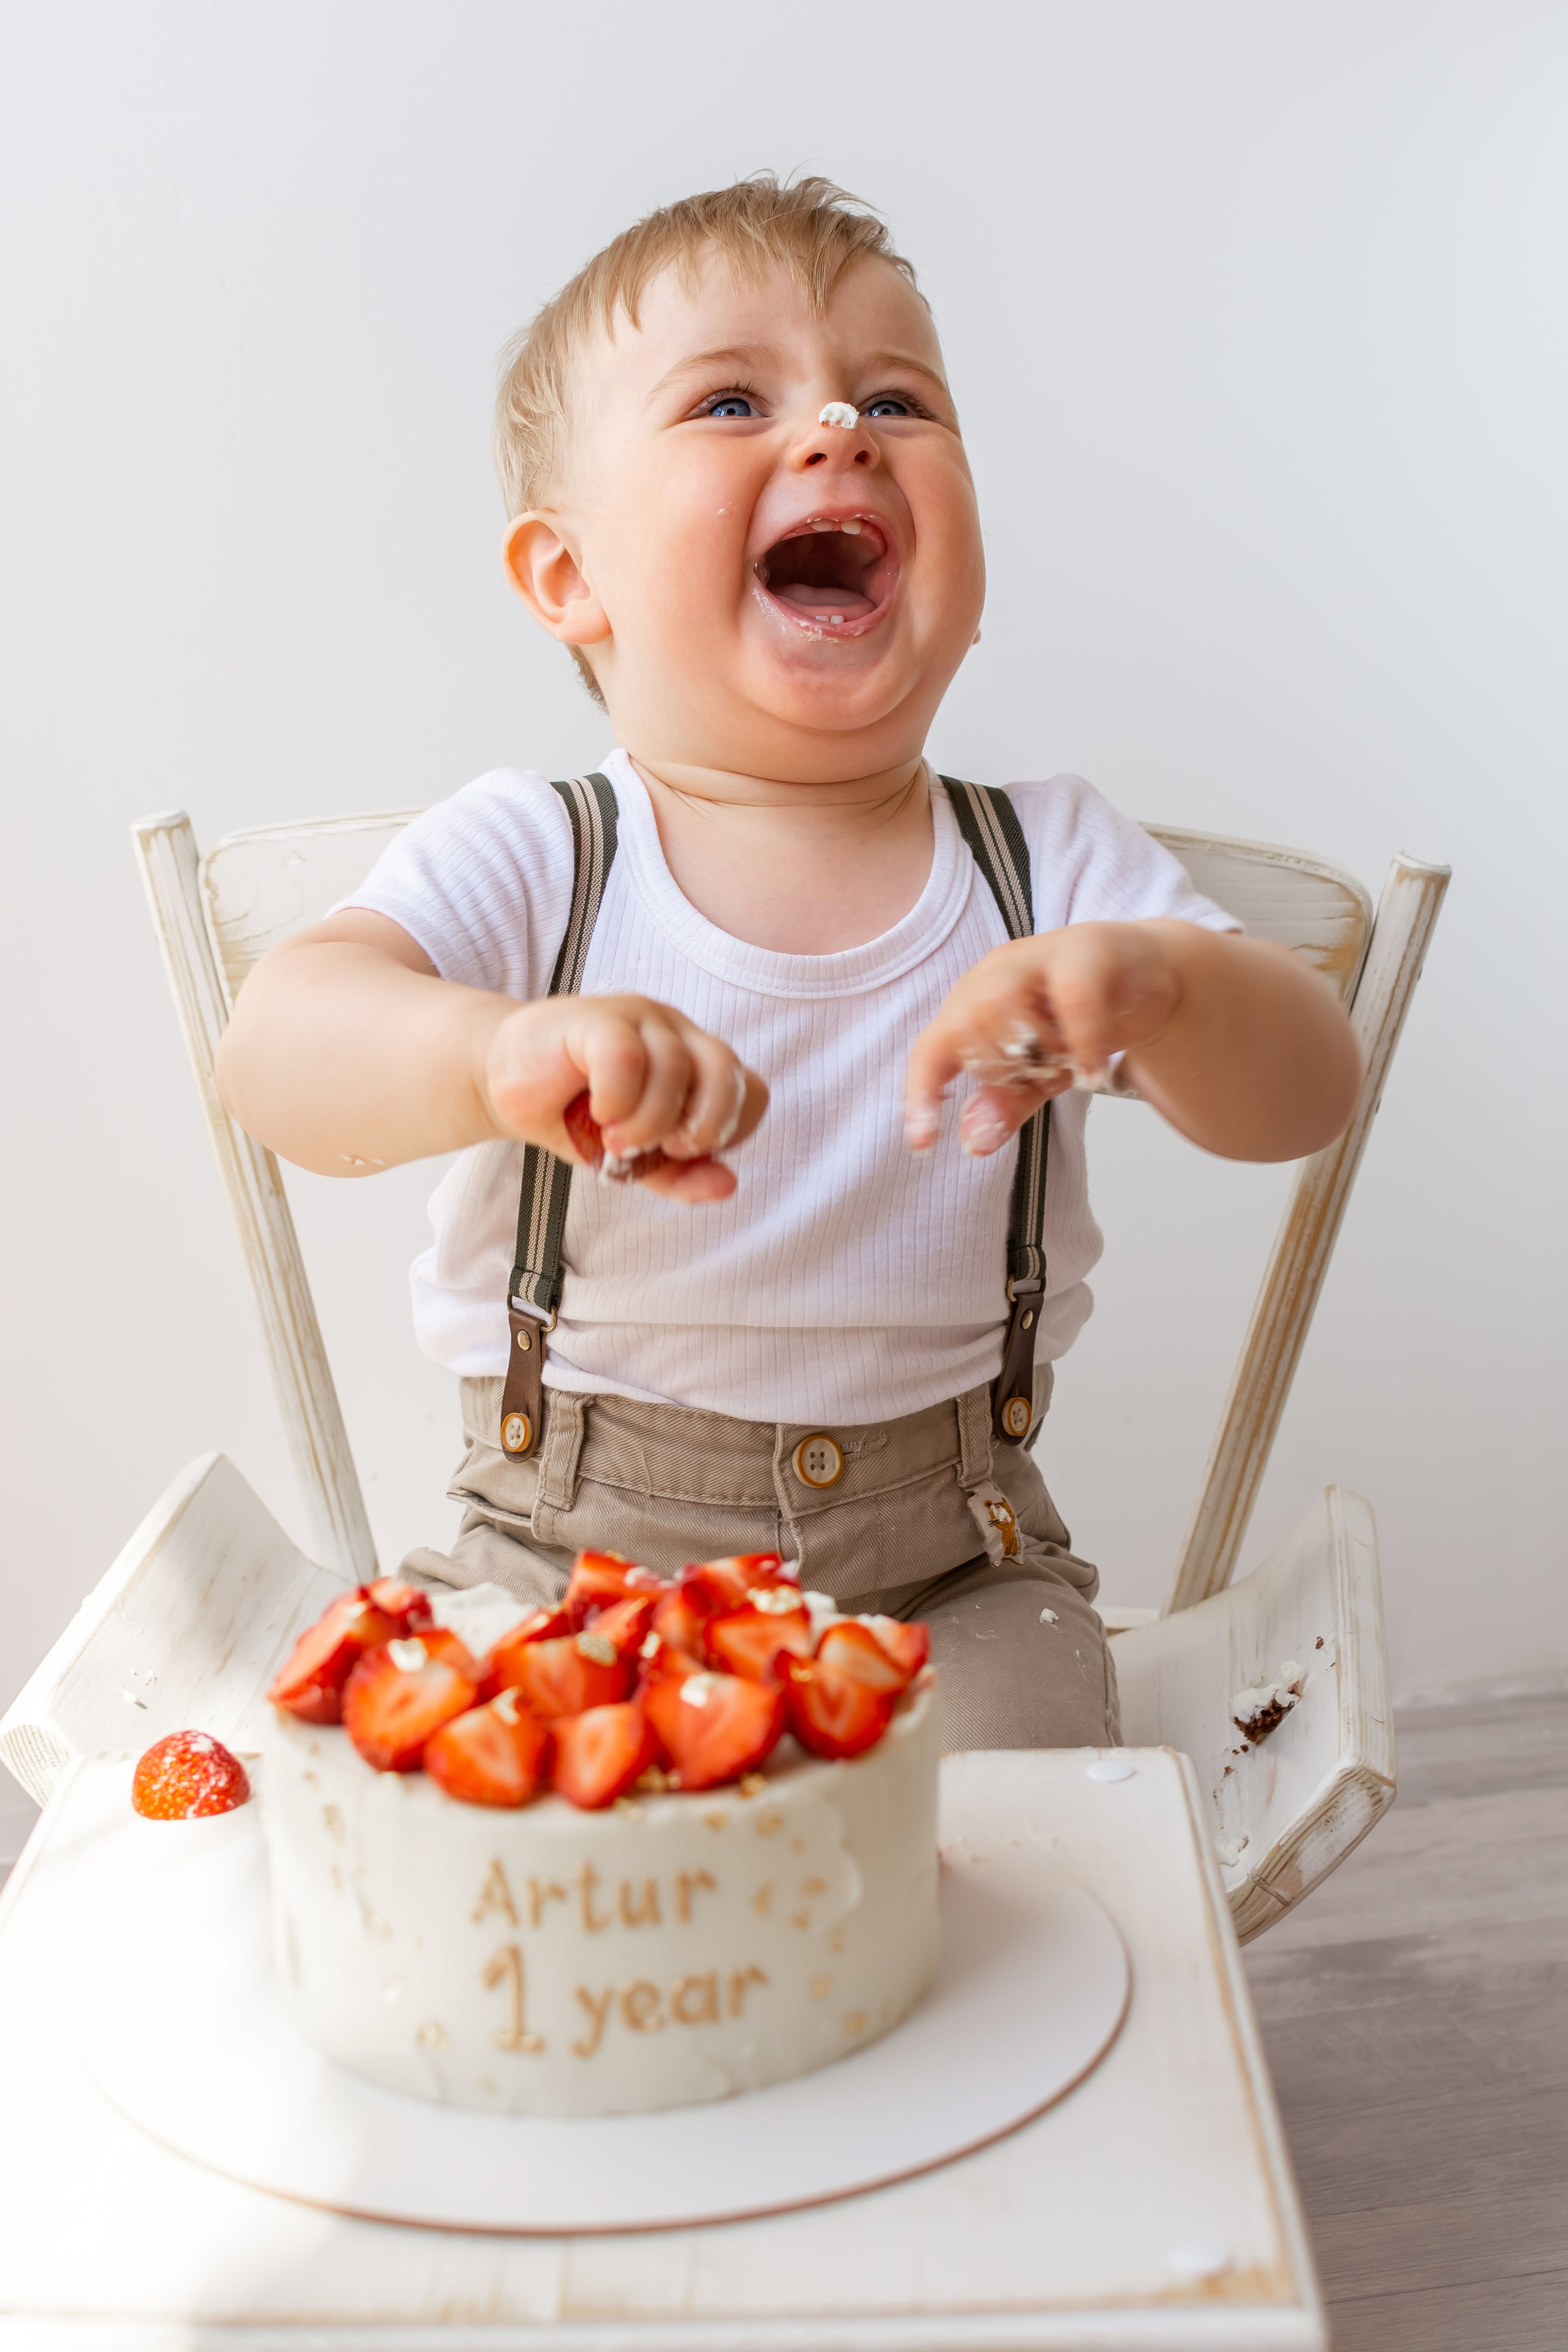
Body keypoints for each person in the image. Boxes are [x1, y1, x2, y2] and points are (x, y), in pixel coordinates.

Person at [216, 175, 1360, 1749]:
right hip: (561, 1557)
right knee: (478, 1849)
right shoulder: (544, 855)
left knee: (1016, 1856)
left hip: (954, 1572)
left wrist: (1159, 987)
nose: (836, 429)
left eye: (895, 397)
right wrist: (493, 1053)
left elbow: (1304, 1092)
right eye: (733, 399)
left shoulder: (1047, 865)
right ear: (567, 577)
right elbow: (277, 1053)